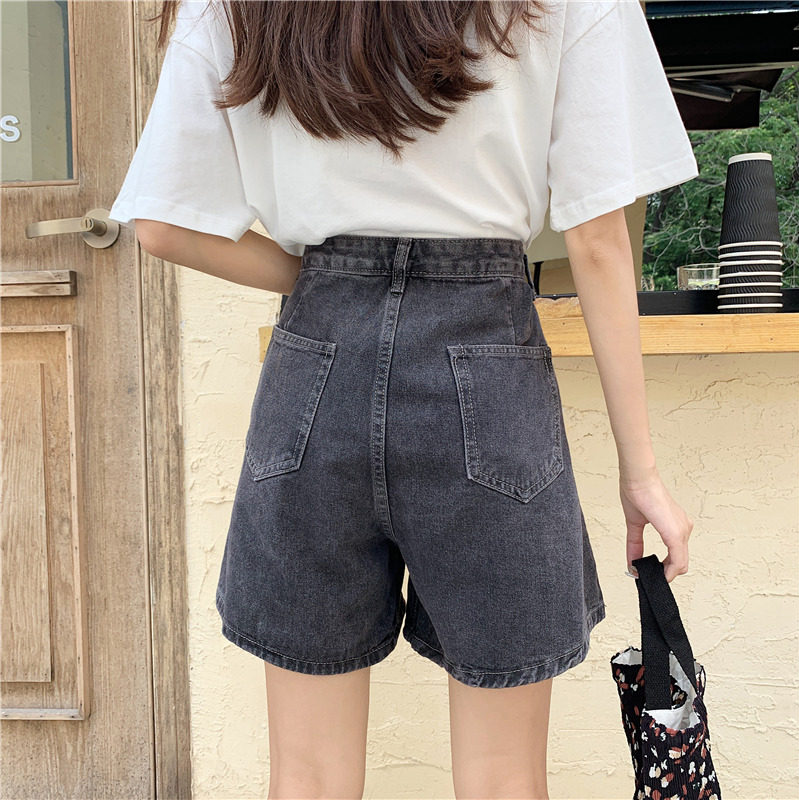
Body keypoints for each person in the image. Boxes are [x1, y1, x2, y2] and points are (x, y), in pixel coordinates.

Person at [108, 1, 696, 797]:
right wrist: (640, 472)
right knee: (503, 778)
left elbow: (161, 225)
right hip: (485, 360)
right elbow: (596, 240)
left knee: (308, 776)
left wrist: (328, 284)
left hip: (317, 367)